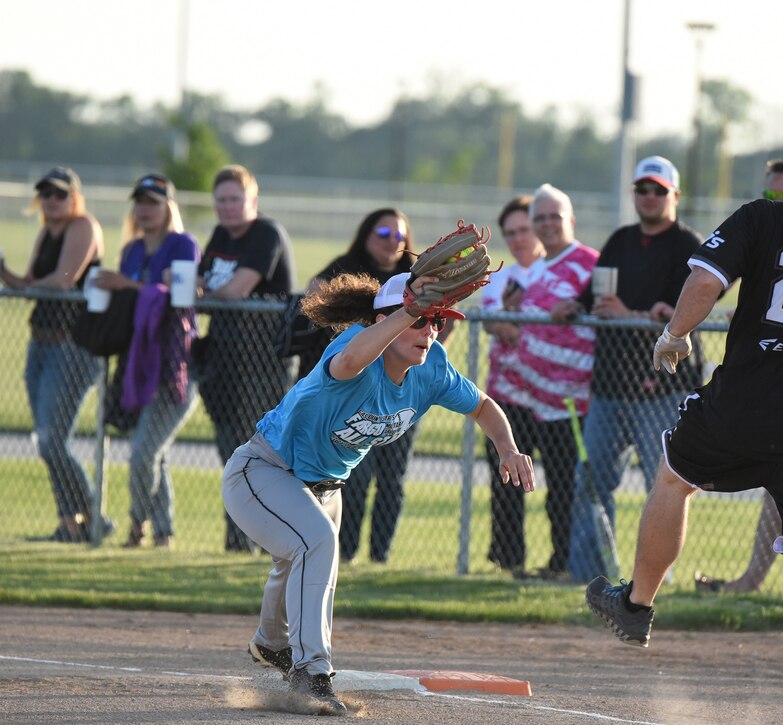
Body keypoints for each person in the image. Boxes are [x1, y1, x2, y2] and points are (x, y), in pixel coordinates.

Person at [585, 148, 783, 725]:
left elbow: (707, 278)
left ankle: (637, 606)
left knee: (675, 480)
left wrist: (675, 334)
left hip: (748, 397)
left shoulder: (767, 216)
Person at [222, 270, 534, 713]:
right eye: (421, 318)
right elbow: (350, 361)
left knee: (296, 558)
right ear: (384, 320)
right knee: (316, 543)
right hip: (263, 470)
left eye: (436, 321)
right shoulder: (353, 348)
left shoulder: (433, 368)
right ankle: (312, 672)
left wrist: (508, 449)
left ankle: (272, 645)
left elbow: (483, 406)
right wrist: (407, 310)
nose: (430, 329)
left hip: (327, 489)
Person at [555, 156, 703, 585]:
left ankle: (656, 580)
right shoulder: (621, 239)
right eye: (642, 189)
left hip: (663, 386)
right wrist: (574, 306)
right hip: (611, 385)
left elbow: (687, 310)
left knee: (667, 487)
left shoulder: (687, 245)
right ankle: (590, 576)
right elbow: (594, 293)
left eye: (659, 190)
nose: (650, 197)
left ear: (675, 195)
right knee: (591, 480)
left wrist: (631, 314)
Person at [693, 156, 783, 594]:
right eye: (770, 194)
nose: (776, 203)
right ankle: (753, 581)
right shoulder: (766, 231)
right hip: (774, 391)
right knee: (777, 491)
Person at [0, 166, 111, 544]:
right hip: (40, 342)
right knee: (45, 440)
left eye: (59, 194)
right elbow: (32, 282)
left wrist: (28, 284)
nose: (51, 200)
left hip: (72, 346)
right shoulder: (47, 231)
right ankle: (69, 523)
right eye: (45, 194)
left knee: (52, 441)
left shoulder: (84, 226)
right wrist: (1, 273)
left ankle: (95, 516)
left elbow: (64, 280)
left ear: (74, 197)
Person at [308, 210, 424, 564]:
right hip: (353, 393)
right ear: (365, 234)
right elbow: (313, 295)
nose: (392, 240)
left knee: (392, 479)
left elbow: (440, 327)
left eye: (399, 235)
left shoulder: (414, 279)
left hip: (402, 390)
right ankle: (346, 552)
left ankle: (379, 557)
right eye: (384, 232)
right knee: (353, 478)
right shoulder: (346, 266)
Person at [94, 173, 201, 549]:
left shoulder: (183, 245)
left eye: (154, 202)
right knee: (154, 454)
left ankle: (137, 526)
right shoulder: (133, 250)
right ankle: (164, 534)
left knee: (144, 454)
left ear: (168, 207)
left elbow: (178, 298)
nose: (145, 209)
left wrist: (126, 285)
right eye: (139, 201)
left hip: (177, 367)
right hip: (141, 363)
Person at [498, 183, 598, 580]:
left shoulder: (589, 263)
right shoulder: (536, 271)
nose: (546, 224)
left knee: (568, 488)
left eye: (554, 216)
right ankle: (558, 563)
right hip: (539, 400)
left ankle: (573, 565)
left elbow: (599, 311)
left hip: (576, 400)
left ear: (570, 219)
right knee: (552, 489)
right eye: (539, 217)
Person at [196, 164, 296, 553]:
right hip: (222, 357)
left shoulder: (266, 234)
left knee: (258, 457)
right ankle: (237, 542)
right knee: (229, 453)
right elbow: (201, 287)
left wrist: (206, 288)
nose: (227, 208)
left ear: (252, 201)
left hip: (260, 363)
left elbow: (237, 290)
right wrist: (204, 288)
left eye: (235, 199)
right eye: (221, 200)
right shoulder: (221, 235)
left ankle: (266, 541)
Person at [482, 195, 546, 577]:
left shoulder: (556, 271)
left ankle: (561, 562)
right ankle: (509, 561)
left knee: (560, 484)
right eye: (511, 233)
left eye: (525, 229)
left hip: (554, 396)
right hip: (508, 396)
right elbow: (496, 324)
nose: (519, 238)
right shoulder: (501, 276)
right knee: (508, 482)